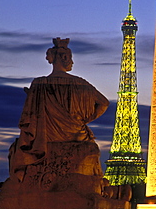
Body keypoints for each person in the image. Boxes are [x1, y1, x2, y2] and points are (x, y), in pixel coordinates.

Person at [9, 37, 109, 182]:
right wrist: (85, 120)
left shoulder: (38, 84)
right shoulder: (80, 83)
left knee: (16, 147)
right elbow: (104, 103)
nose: (73, 62)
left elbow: (29, 119)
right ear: (64, 58)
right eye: (71, 59)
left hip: (46, 137)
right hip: (76, 134)